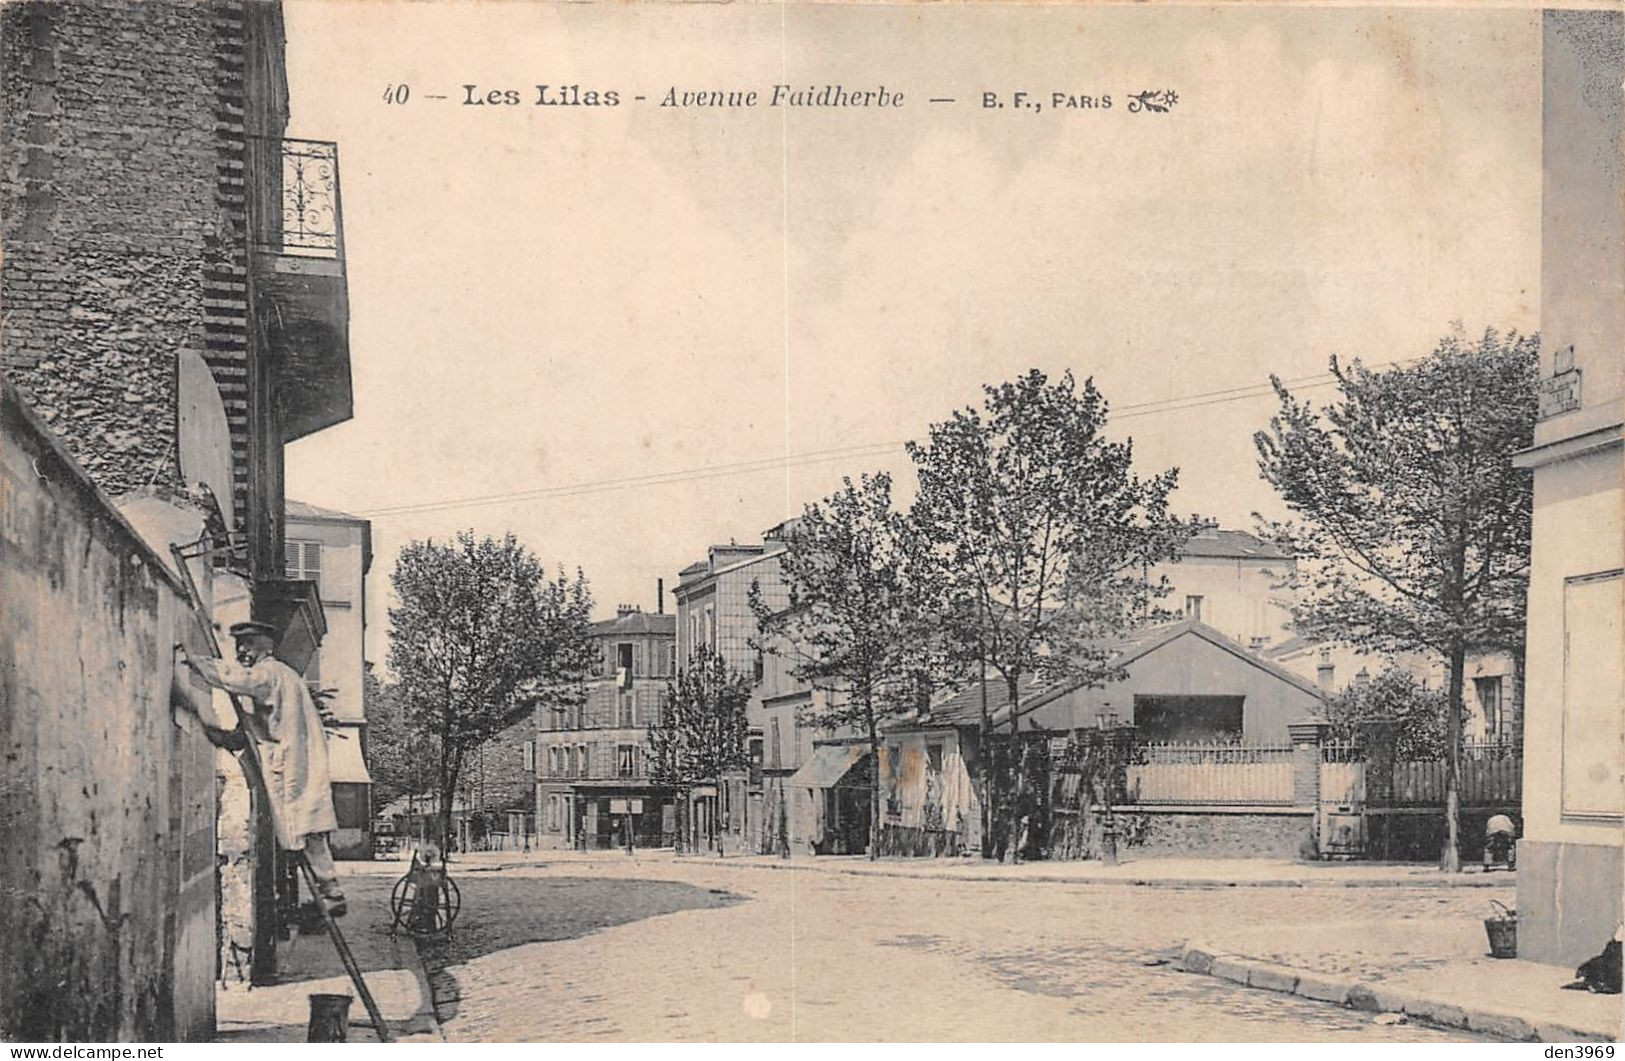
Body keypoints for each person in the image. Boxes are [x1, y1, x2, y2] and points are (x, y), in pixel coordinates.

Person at [177, 621, 347, 917]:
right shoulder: (283, 677)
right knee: (307, 826)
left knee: (299, 825)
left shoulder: (269, 672)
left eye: (249, 644)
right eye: (239, 644)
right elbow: (255, 726)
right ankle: (330, 890)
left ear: (266, 646)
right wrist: (221, 731)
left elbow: (237, 678)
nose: (242, 650)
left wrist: (196, 661)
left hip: (290, 761)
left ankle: (327, 893)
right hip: (297, 756)